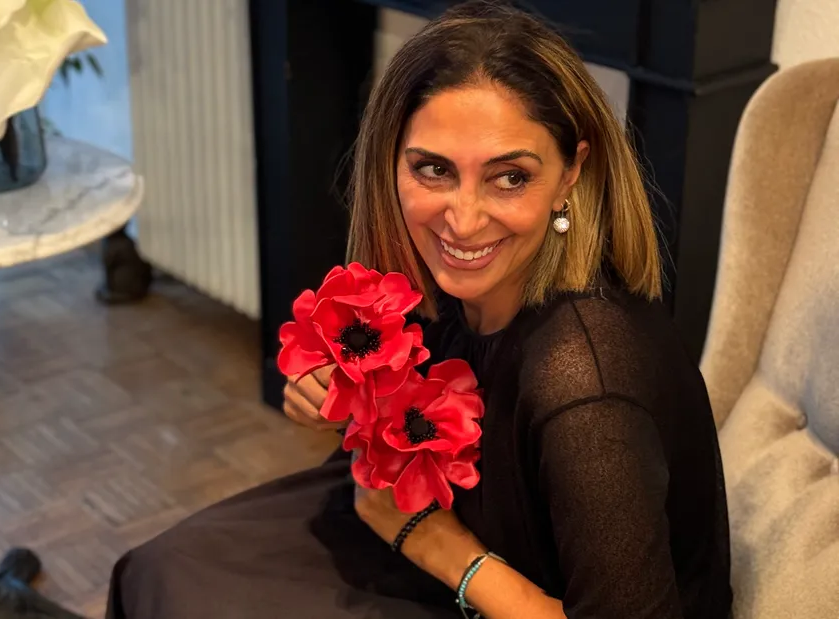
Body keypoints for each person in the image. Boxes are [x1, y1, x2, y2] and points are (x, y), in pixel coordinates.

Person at [105, 2, 733, 617]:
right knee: (160, 571)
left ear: (572, 172)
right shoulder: (460, 292)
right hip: (452, 535)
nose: (462, 220)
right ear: (392, 161)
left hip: (484, 573)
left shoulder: (585, 385)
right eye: (433, 170)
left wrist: (437, 546)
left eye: (509, 176)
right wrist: (345, 402)